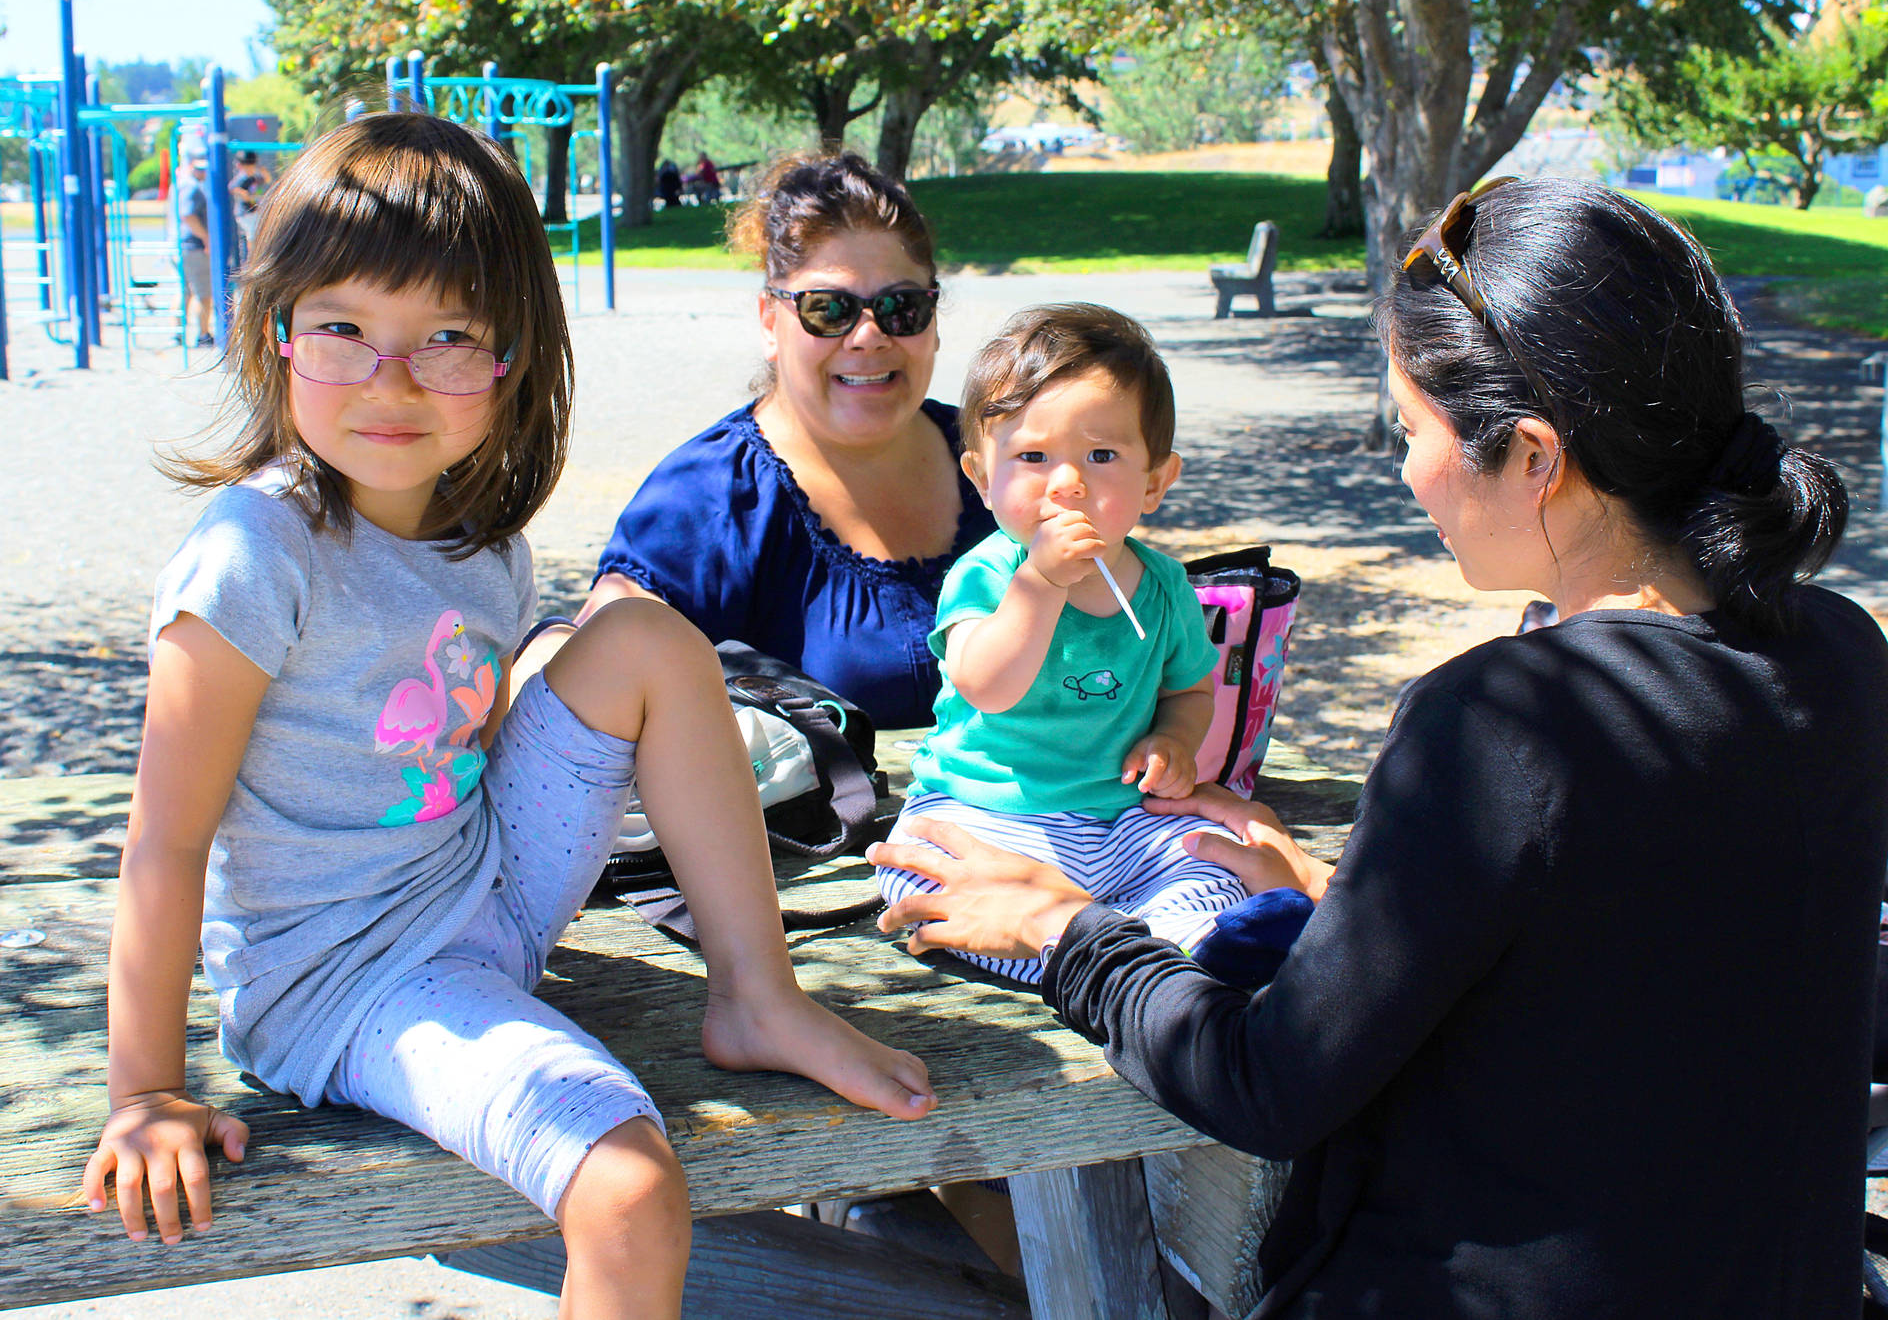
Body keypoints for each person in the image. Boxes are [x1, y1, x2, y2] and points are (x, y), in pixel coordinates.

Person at [871, 177, 1888, 1317]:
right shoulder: (1841, 656)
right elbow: (1639, 949)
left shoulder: (1502, 720)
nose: (1405, 473)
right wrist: (1342, 890)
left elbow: (1264, 1083)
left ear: (1534, 454)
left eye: (1411, 429)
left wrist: (1061, 931)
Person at [78, 113, 934, 1314]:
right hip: (348, 978)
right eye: (343, 330)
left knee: (640, 634)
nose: (390, 379)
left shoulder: (483, 547)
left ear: (507, 360)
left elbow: (471, 740)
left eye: (444, 338)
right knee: (630, 1191)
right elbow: (163, 844)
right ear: (277, 338)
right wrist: (148, 1093)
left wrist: (571, 714)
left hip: (482, 893)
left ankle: (756, 991)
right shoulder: (252, 554)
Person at [873, 303, 1253, 987]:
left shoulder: (1164, 587)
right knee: (919, 875)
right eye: (1033, 457)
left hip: (1116, 819)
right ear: (982, 477)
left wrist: (1173, 739)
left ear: (1156, 481)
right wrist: (1039, 583)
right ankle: (1082, 949)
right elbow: (986, 683)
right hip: (985, 809)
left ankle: (1156, 939)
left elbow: (1191, 689)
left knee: (1212, 859)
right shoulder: (988, 576)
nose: (1067, 482)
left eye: (1102, 455)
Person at [564, 152, 993, 729]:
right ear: (770, 323)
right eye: (828, 310)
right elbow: (592, 692)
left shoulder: (1006, 454)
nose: (868, 336)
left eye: (900, 307)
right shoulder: (708, 497)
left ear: (933, 319)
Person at [176, 147, 214, 348]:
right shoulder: (194, 188)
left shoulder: (185, 186)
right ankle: (203, 333)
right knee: (203, 294)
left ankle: (176, 331)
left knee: (186, 291)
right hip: (195, 246)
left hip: (186, 245)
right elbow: (188, 215)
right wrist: (206, 237)